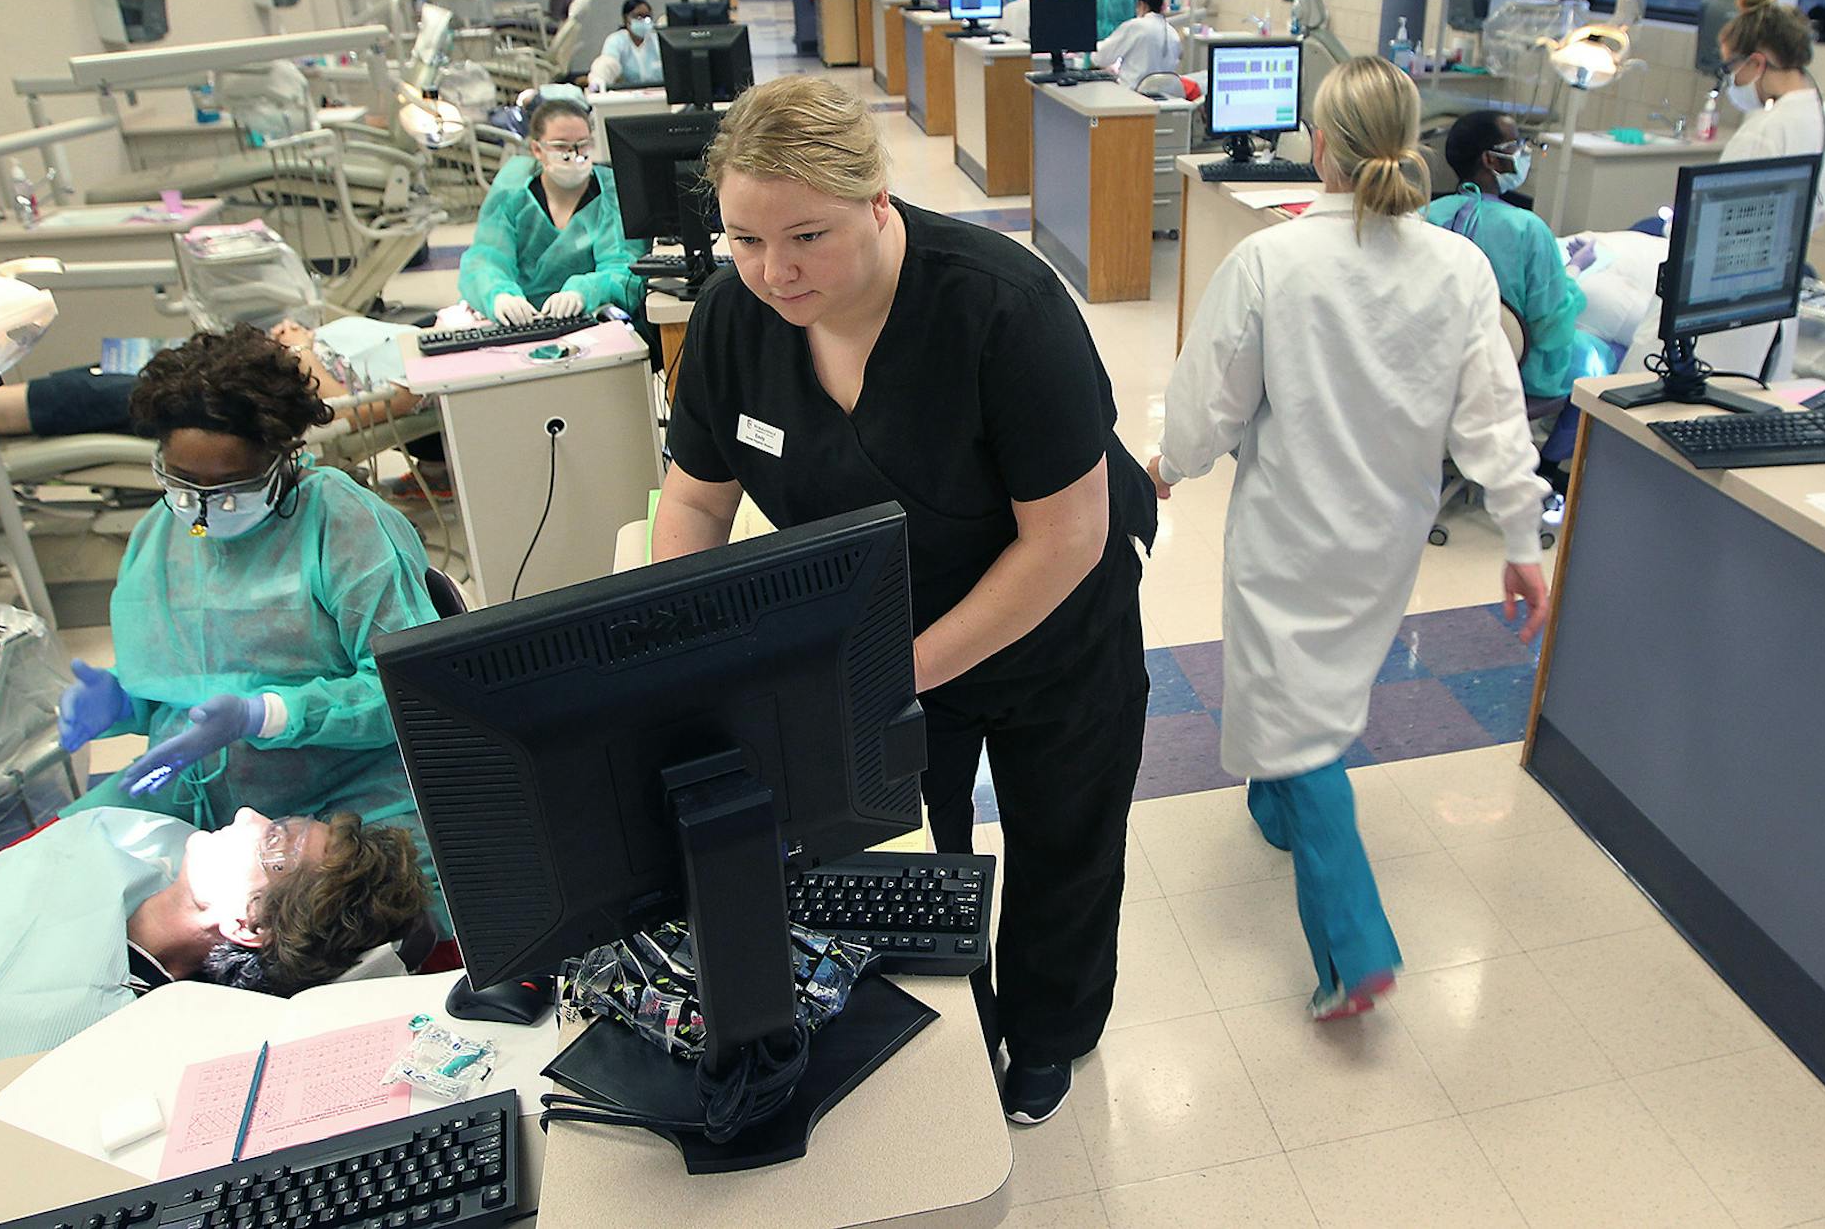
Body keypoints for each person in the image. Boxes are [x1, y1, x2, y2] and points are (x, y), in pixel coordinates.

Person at [654, 75, 1156, 1128]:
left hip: (1048, 627)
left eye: (805, 236)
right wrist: (687, 638)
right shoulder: (734, 321)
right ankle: (952, 1028)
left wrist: (898, 667)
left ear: (877, 199)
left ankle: (1048, 1036)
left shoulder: (999, 307)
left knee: (1065, 837)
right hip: (873, 639)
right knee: (895, 847)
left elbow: (1066, 537)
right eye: (742, 238)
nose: (773, 271)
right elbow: (696, 503)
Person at [1150, 56, 1550, 1022]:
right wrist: (1522, 538)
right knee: (1314, 688)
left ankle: (1354, 947)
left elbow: (1211, 399)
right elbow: (1495, 418)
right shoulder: (1460, 266)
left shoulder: (1272, 259)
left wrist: (1168, 464)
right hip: (1388, 535)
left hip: (1290, 530)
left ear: (1319, 145)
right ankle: (1276, 805)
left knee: (1295, 711)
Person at [52, 327, 448, 928]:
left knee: (366, 931)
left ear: (281, 457)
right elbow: (179, 669)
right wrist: (125, 700)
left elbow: (409, 688)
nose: (204, 512)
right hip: (196, 786)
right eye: (184, 485)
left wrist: (264, 714)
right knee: (51, 872)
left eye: (230, 491)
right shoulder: (162, 534)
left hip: (349, 797)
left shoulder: (341, 526)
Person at [0, 805, 428, 1105]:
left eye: (273, 841)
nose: (245, 814)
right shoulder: (128, 840)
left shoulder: (123, 1039)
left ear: (246, 922)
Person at [0, 316, 418, 448]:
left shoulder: (421, 377)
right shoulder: (414, 332)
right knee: (88, 376)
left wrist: (300, 347)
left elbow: (341, 412)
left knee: (79, 396)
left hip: (225, 400)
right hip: (227, 369)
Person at [1424, 111, 1606, 403]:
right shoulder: (1528, 229)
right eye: (1516, 146)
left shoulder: (1428, 216)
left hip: (1436, 365)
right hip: (1513, 372)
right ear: (1491, 159)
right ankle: (1564, 446)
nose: (1524, 153)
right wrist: (1573, 270)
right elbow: (1550, 330)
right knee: (1599, 358)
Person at [1714, 0, 1825, 379]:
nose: (1731, 80)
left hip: (1729, 295)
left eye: (1730, 67)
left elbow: (1720, 226)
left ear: (1757, 62)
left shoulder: (1765, 129)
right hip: (1779, 289)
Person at [459, 93, 651, 327]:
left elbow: (622, 267)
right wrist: (499, 295)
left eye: (582, 145)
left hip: (593, 319)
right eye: (561, 146)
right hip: (520, 321)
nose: (574, 155)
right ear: (537, 150)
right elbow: (486, 258)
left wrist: (584, 292)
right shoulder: (513, 190)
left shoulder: (611, 192)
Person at [1091, 0, 1182, 93]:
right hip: (1165, 100)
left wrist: (1091, 51)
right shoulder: (1173, 33)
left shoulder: (1136, 26)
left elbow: (1101, 57)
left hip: (1133, 97)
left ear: (1141, 5)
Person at [592, 0, 664, 89]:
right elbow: (607, 65)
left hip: (658, 95)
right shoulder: (616, 41)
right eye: (638, 16)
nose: (643, 20)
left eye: (647, 17)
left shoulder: (657, 41)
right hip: (626, 96)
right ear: (626, 19)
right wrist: (598, 82)